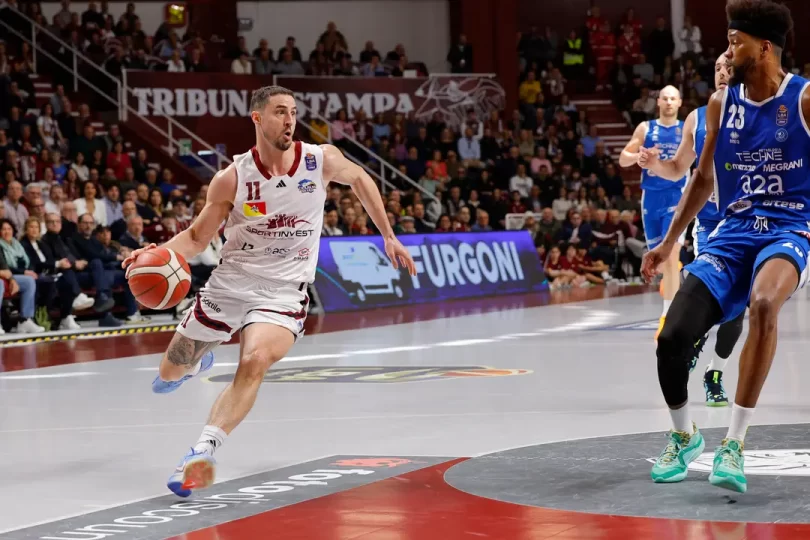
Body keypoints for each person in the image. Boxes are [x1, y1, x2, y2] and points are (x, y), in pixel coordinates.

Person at [122, 85, 417, 497]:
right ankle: (195, 363)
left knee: (255, 359)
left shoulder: (319, 159)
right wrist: (155, 254)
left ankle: (201, 453)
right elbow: (196, 238)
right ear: (258, 118)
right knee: (170, 372)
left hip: (282, 292)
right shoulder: (233, 177)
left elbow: (360, 179)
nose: (289, 120)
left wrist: (388, 234)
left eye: (293, 111)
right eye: (280, 111)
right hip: (230, 284)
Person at [641, 0, 806, 494]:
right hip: (731, 235)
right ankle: (684, 436)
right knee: (672, 338)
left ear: (765, 47)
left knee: (763, 303)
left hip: (789, 230)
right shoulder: (719, 104)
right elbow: (702, 178)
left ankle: (733, 443)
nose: (728, 53)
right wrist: (668, 243)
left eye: (736, 43)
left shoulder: (803, 99)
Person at [637, 54, 744, 407]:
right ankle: (695, 340)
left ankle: (715, 372)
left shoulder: (760, 111)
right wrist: (655, 163)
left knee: (738, 309)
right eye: (717, 69)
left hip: (748, 221)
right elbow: (678, 169)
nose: (722, 73)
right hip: (710, 223)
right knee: (710, 292)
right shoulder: (697, 118)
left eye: (729, 67)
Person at [620, 85, 686, 340]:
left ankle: (668, 317)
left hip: (677, 197)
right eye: (665, 98)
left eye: (673, 98)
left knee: (671, 255)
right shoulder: (646, 129)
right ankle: (670, 275)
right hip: (651, 198)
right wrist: (639, 156)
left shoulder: (687, 128)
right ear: (658, 102)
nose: (668, 102)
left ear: (679, 103)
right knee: (659, 262)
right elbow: (623, 159)